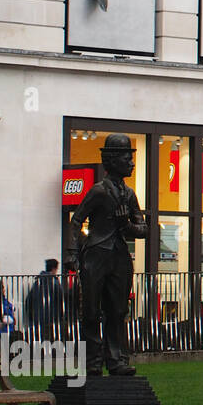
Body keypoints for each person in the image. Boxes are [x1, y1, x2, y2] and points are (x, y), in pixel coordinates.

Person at [68, 134, 147, 376]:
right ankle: (92, 362)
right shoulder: (99, 191)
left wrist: (126, 226)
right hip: (96, 256)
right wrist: (73, 252)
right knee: (91, 310)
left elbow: (142, 229)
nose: (132, 163)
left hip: (119, 258)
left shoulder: (130, 194)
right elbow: (76, 220)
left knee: (117, 310)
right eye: (127, 158)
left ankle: (115, 360)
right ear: (112, 161)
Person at [24, 258, 64, 339]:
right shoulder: (54, 283)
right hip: (51, 319)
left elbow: (28, 300)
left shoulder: (38, 282)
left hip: (36, 319)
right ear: (54, 269)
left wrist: (31, 316)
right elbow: (60, 301)